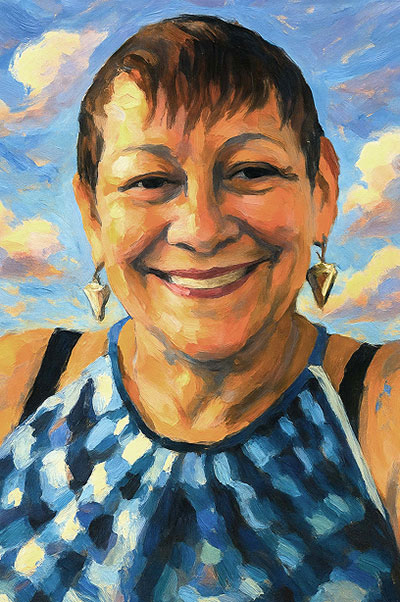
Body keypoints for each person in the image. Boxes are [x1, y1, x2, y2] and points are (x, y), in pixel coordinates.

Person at [0, 14, 399, 601]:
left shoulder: (380, 409)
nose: (202, 230)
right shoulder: (21, 384)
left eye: (252, 172)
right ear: (92, 215)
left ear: (322, 191)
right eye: (149, 181)